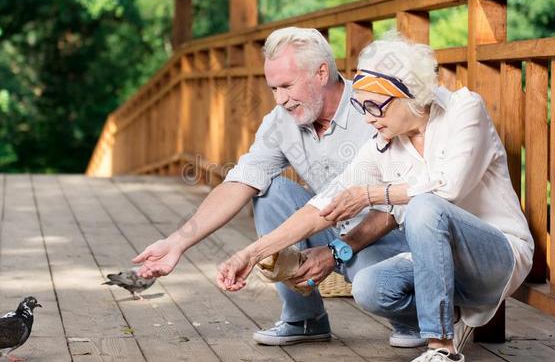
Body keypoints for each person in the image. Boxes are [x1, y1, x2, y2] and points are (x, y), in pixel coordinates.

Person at [217, 34, 534, 362]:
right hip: (435, 264)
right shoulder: (383, 144)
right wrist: (250, 254)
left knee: (425, 205)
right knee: (368, 287)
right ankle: (446, 314)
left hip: (496, 255)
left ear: (407, 95)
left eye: (374, 106)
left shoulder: (463, 109)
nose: (367, 118)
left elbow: (447, 187)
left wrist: (371, 194)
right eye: (361, 105)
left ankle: (441, 349)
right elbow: (323, 205)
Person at [133, 27, 424, 348]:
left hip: (393, 238)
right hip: (335, 228)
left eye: (287, 86)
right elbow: (239, 183)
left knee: (372, 284)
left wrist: (336, 252)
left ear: (321, 72)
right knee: (268, 191)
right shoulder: (280, 121)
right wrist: (177, 243)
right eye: (273, 88)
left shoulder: (374, 106)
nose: (280, 99)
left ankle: (414, 320)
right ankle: (304, 319)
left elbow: (398, 206)